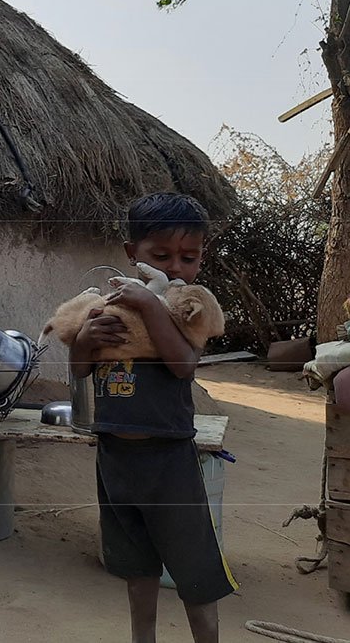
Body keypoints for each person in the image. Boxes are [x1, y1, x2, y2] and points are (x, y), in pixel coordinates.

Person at [68, 193, 237, 643]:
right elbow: (80, 370)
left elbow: (183, 365)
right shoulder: (110, 305)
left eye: (189, 258)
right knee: (136, 569)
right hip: (115, 459)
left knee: (194, 573)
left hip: (169, 462)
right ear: (132, 253)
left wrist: (150, 304)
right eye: (161, 257)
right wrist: (83, 339)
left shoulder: (191, 306)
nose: (176, 268)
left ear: (201, 257)